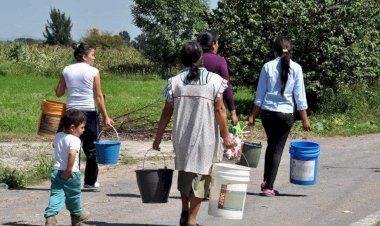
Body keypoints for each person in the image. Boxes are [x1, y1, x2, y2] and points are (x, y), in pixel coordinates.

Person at [153, 42, 234, 226]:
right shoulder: (214, 81)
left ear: (182, 59)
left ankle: (184, 210)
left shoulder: (174, 81)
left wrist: (157, 138)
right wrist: (226, 136)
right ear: (201, 58)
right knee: (202, 178)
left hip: (181, 137)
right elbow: (220, 109)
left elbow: (166, 112)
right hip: (205, 138)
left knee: (185, 172)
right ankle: (192, 219)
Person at [248, 36, 311, 196]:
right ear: (290, 50)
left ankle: (267, 182)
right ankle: (268, 185)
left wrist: (252, 115)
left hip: (268, 113)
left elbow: (260, 94)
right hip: (286, 114)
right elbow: (300, 96)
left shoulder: (267, 67)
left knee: (271, 145)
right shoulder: (297, 68)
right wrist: (304, 119)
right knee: (277, 149)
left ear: (275, 50)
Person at [55, 42, 114, 189]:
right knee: (92, 149)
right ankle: (89, 182)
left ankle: (68, 178)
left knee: (69, 146)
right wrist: (106, 116)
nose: (94, 58)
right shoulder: (93, 71)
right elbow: (98, 96)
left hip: (71, 113)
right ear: (84, 56)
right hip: (88, 113)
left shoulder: (66, 70)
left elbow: (59, 93)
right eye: (92, 55)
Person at [44, 109, 89, 226]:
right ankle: (77, 215)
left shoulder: (58, 135)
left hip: (57, 171)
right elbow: (72, 154)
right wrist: (69, 170)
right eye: (82, 127)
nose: (83, 130)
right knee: (73, 196)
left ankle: (50, 216)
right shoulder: (75, 140)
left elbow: (55, 145)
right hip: (71, 173)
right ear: (73, 127)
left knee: (56, 193)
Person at [197, 30, 239, 125]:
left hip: (195, 107)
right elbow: (226, 87)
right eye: (217, 43)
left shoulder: (194, 60)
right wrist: (233, 112)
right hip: (214, 109)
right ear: (213, 44)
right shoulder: (219, 61)